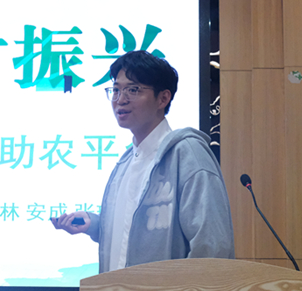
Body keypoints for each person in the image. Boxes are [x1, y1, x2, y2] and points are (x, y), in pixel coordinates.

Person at [51, 50, 235, 273]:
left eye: (133, 90)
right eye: (116, 90)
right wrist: (96, 224)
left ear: (163, 98)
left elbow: (213, 245)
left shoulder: (188, 154)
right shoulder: (125, 163)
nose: (120, 99)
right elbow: (135, 236)